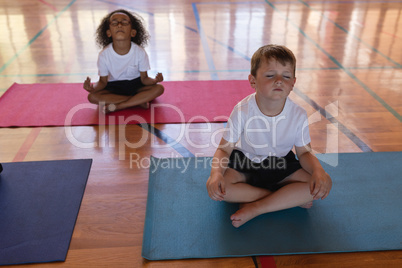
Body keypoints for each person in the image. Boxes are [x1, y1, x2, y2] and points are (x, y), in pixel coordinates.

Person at [206, 44, 332, 228]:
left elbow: (304, 153)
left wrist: (318, 172)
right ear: (253, 81)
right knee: (222, 189)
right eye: (270, 75)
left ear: (293, 83)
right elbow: (224, 149)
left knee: (320, 185)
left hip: (280, 163)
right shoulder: (242, 110)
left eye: (286, 76)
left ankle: (256, 207)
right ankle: (282, 198)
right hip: (245, 162)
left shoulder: (298, 114)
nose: (279, 80)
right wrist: (215, 174)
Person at [83, 9, 164, 113]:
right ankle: (138, 101)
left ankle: (120, 105)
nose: (120, 25)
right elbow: (103, 82)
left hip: (137, 86)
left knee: (159, 88)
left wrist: (155, 81)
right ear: (108, 33)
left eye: (125, 22)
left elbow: (144, 79)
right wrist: (92, 88)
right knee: (92, 97)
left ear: (133, 32)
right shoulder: (104, 55)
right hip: (113, 88)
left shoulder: (140, 52)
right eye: (114, 23)